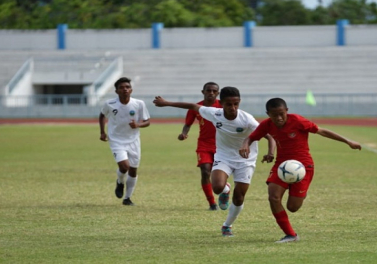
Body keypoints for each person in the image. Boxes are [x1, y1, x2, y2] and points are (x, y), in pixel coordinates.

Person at [153, 87, 276, 237]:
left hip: (245, 160)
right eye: (229, 104)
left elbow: (269, 136)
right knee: (217, 187)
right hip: (224, 157)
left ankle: (227, 225)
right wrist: (166, 103)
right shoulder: (214, 113)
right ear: (221, 103)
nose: (233, 108)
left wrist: (270, 153)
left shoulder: (246, 119)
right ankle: (225, 190)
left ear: (239, 102)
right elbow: (193, 106)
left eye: (236, 104)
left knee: (239, 197)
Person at [239, 98, 362, 243]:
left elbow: (321, 131)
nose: (278, 118)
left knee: (293, 207)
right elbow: (251, 137)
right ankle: (291, 235)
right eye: (274, 115)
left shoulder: (297, 120)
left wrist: (348, 141)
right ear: (268, 114)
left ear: (287, 111)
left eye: (281, 114)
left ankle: (300, 192)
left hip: (303, 167)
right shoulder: (266, 125)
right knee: (273, 197)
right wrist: (245, 144)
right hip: (281, 165)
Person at [99, 77, 151, 206]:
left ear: (131, 90)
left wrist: (138, 125)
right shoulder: (109, 104)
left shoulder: (139, 104)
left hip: (133, 141)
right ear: (116, 91)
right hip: (116, 140)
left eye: (127, 87)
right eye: (121, 88)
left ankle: (127, 198)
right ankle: (120, 182)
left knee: (133, 170)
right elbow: (102, 115)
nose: (125, 89)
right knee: (124, 166)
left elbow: (147, 121)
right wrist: (102, 132)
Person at [178, 82, 222, 210]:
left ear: (218, 93)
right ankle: (212, 203)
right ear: (203, 92)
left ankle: (225, 190)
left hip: (222, 145)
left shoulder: (223, 106)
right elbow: (188, 124)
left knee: (218, 174)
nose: (211, 93)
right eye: (208, 90)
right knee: (205, 171)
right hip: (204, 144)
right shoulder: (196, 107)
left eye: (214, 91)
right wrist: (184, 134)